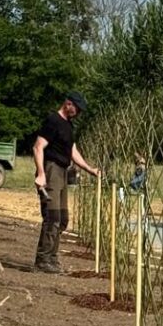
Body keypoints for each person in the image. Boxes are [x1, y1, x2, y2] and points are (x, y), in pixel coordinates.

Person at [32, 91, 101, 273]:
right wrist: (41, 174)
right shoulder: (53, 121)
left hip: (62, 171)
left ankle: (52, 259)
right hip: (51, 169)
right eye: (76, 108)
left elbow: (72, 150)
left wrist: (90, 169)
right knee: (52, 216)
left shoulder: (68, 125)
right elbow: (38, 147)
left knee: (62, 219)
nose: (77, 112)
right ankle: (42, 261)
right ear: (68, 104)